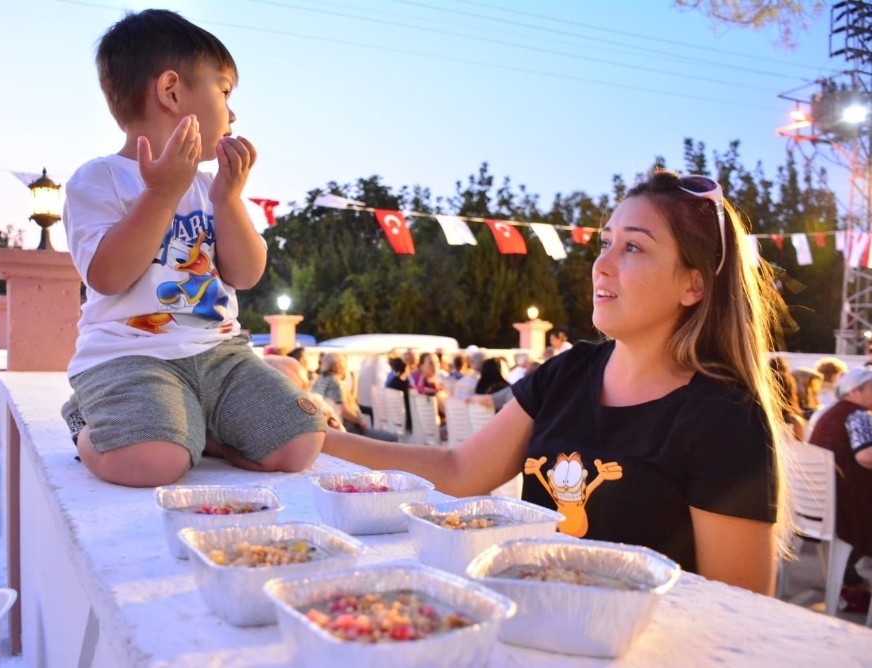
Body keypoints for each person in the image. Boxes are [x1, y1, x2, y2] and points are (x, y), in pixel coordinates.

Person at [325, 170, 789, 594]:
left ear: (694, 285)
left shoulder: (725, 418)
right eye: (605, 243)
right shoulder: (569, 373)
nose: (601, 265)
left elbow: (737, 605)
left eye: (633, 247)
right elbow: (459, 472)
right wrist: (318, 439)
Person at [59, 9, 326, 487]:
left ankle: (202, 431)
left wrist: (228, 198)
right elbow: (107, 276)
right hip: (129, 358)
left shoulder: (210, 186)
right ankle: (87, 422)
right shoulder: (99, 180)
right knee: (153, 465)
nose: (233, 111)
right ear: (172, 91)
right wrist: (161, 194)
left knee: (299, 440)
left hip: (220, 353)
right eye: (224, 91)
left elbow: (244, 274)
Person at [808, 367, 872, 604]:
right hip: (845, 508)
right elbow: (865, 456)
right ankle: (850, 575)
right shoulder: (859, 415)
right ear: (855, 391)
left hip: (821, 504)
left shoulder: (828, 413)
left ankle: (849, 575)